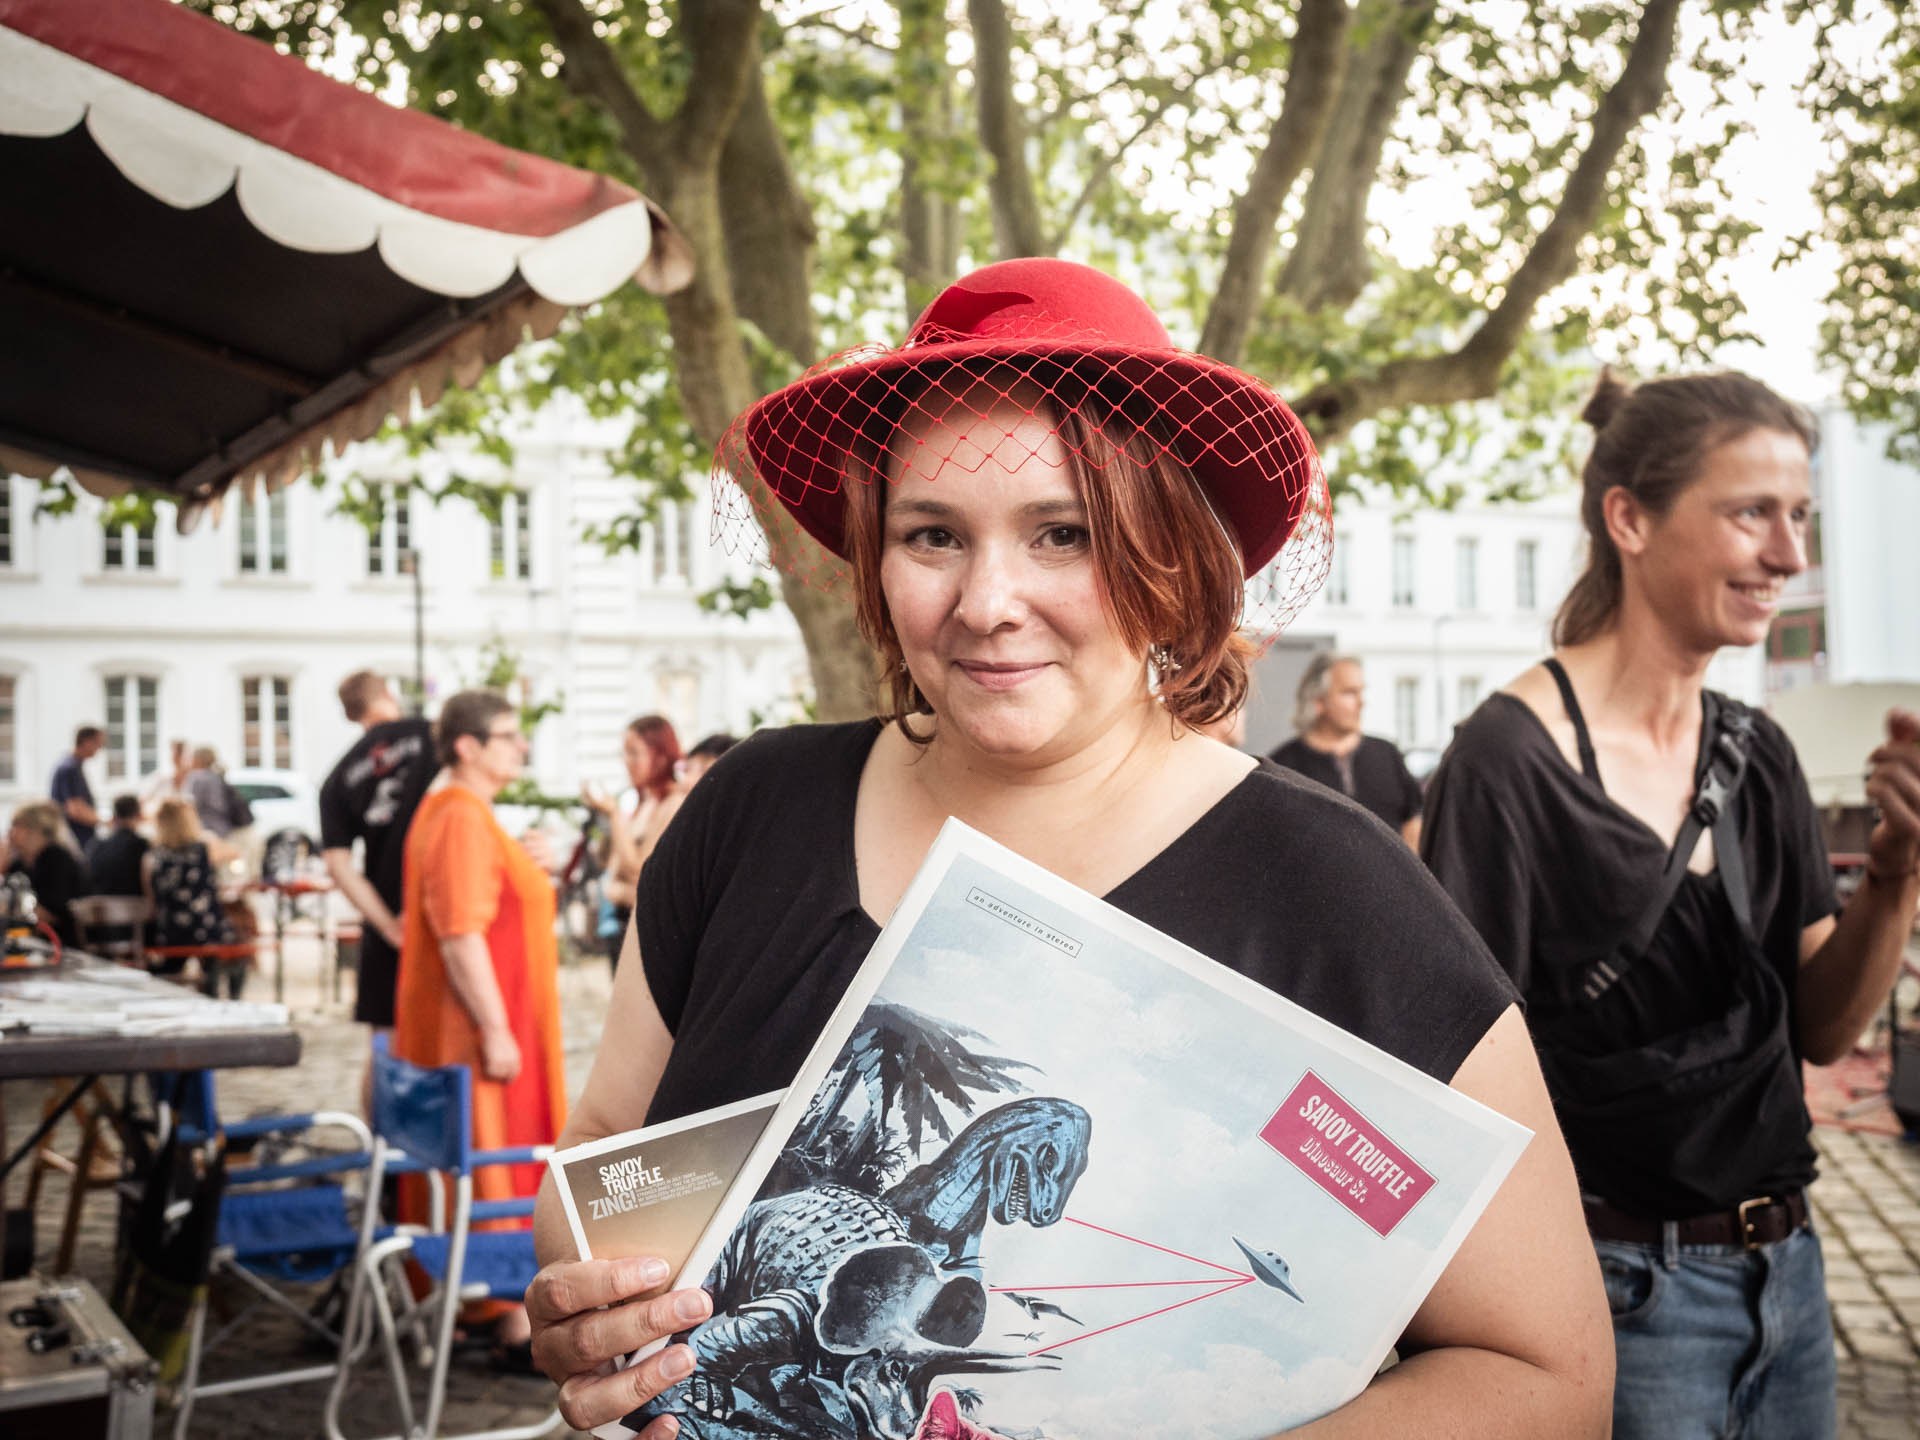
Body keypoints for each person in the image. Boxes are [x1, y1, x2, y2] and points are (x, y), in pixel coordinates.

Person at [524, 258, 1611, 1436]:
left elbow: (1549, 1378)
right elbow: (608, 1149)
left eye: (1061, 534)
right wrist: (592, 1298)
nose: (988, 601)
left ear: (1171, 559)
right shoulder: (751, 810)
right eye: (932, 535)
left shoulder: (1336, 892)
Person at [1420, 369, 1920, 1440]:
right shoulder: (1508, 763)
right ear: (1630, 520)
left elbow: (1825, 1029)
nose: (1788, 555)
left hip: (1790, 1281)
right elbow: (1454, 1087)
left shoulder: (1760, 751)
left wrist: (1896, 874)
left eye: (1800, 517)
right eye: (1752, 514)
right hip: (1618, 1297)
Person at [396, 689, 567, 1365]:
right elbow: (460, 933)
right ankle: (503, 1318)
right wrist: (496, 1029)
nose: (521, 745)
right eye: (507, 735)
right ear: (467, 746)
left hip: (494, 1027)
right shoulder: (460, 816)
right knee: (493, 1159)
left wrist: (527, 864)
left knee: (498, 1160)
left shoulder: (466, 814)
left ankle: (496, 1313)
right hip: (480, 1036)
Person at [319, 671, 436, 1044]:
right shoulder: (433, 734)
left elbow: (338, 866)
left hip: (386, 915)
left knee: (385, 1043)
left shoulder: (336, 780)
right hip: (442, 908)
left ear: (350, 713)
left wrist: (388, 927)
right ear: (388, 693)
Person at [1269, 653, 1423, 848]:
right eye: (1349, 692)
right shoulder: (1282, 767)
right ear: (1318, 701)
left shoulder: (1387, 754)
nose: (1361, 702)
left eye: (1361, 691)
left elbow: (1413, 819)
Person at [580, 715, 683, 966]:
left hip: (642, 928)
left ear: (660, 756)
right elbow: (608, 861)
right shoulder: (644, 802)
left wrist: (615, 813)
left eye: (634, 753)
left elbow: (638, 868)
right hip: (619, 921)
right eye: (624, 753)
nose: (627, 762)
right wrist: (604, 816)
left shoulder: (673, 804)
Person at [144, 797, 238, 994]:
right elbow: (234, 852)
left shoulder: (152, 856)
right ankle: (220, 993)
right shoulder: (204, 848)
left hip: (170, 931)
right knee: (238, 949)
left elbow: (151, 901)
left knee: (171, 961)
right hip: (206, 929)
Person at [2, 799, 88, 950]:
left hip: (62, 944)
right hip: (31, 942)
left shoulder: (56, 858)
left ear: (35, 831)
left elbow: (51, 913)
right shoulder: (18, 864)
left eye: (16, 827)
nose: (10, 834)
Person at [50, 725, 104, 853]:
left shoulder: (74, 765)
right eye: (98, 743)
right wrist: (106, 821)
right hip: (76, 835)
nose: (100, 748)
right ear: (86, 742)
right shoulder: (69, 768)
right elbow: (74, 809)